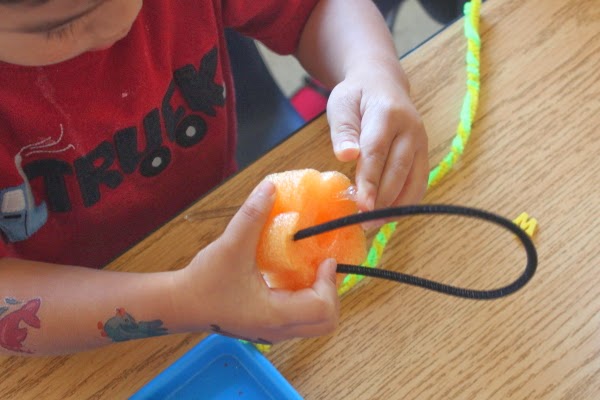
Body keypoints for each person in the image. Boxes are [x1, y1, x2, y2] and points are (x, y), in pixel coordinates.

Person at [0, 0, 428, 356]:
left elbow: (316, 8)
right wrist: (182, 300)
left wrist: (372, 70)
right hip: (71, 328)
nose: (118, 23)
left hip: (214, 230)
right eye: (59, 29)